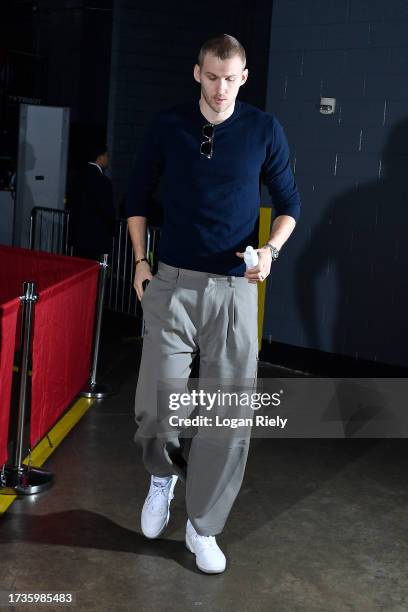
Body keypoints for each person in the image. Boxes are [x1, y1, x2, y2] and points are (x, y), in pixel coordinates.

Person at [126, 34, 301, 574]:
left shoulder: (264, 129)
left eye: (231, 78)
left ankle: (202, 527)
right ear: (197, 73)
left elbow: (290, 205)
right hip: (172, 283)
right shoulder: (168, 125)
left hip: (232, 290)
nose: (221, 88)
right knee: (156, 405)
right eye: (212, 77)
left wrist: (270, 251)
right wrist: (139, 261)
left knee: (228, 416)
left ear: (243, 77)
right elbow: (135, 198)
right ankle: (163, 476)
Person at [70, 143, 115, 260]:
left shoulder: (77, 177)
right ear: (100, 157)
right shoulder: (104, 182)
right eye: (107, 156)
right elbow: (107, 211)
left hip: (78, 235)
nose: (108, 159)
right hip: (96, 238)